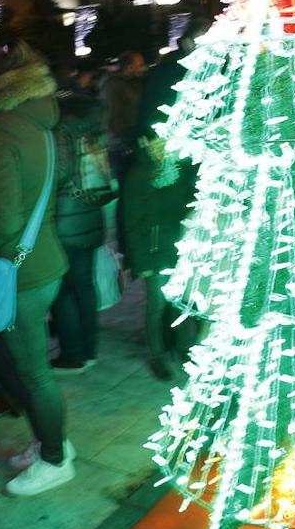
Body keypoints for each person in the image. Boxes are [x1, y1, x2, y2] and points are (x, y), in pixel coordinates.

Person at [0, 38, 73, 496]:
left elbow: (0, 216)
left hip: (15, 272)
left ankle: (55, 457)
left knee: (32, 373)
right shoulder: (39, 117)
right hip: (40, 260)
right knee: (19, 366)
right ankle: (51, 440)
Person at [121, 27, 204, 381]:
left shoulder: (185, 166)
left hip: (180, 245)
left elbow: (191, 200)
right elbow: (131, 218)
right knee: (156, 303)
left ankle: (183, 348)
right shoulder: (142, 172)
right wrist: (140, 260)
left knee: (183, 301)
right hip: (155, 249)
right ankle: (157, 351)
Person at [50, 74, 116, 373]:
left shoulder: (61, 134)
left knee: (63, 290)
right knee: (84, 286)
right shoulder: (94, 134)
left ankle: (72, 354)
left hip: (65, 221)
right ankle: (90, 349)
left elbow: (59, 176)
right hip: (91, 218)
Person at [102, 50, 146, 180]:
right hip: (121, 146)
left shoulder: (134, 83)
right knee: (127, 181)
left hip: (130, 141)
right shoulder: (113, 85)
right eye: (140, 65)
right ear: (129, 67)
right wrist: (127, 140)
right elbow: (113, 116)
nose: (142, 68)